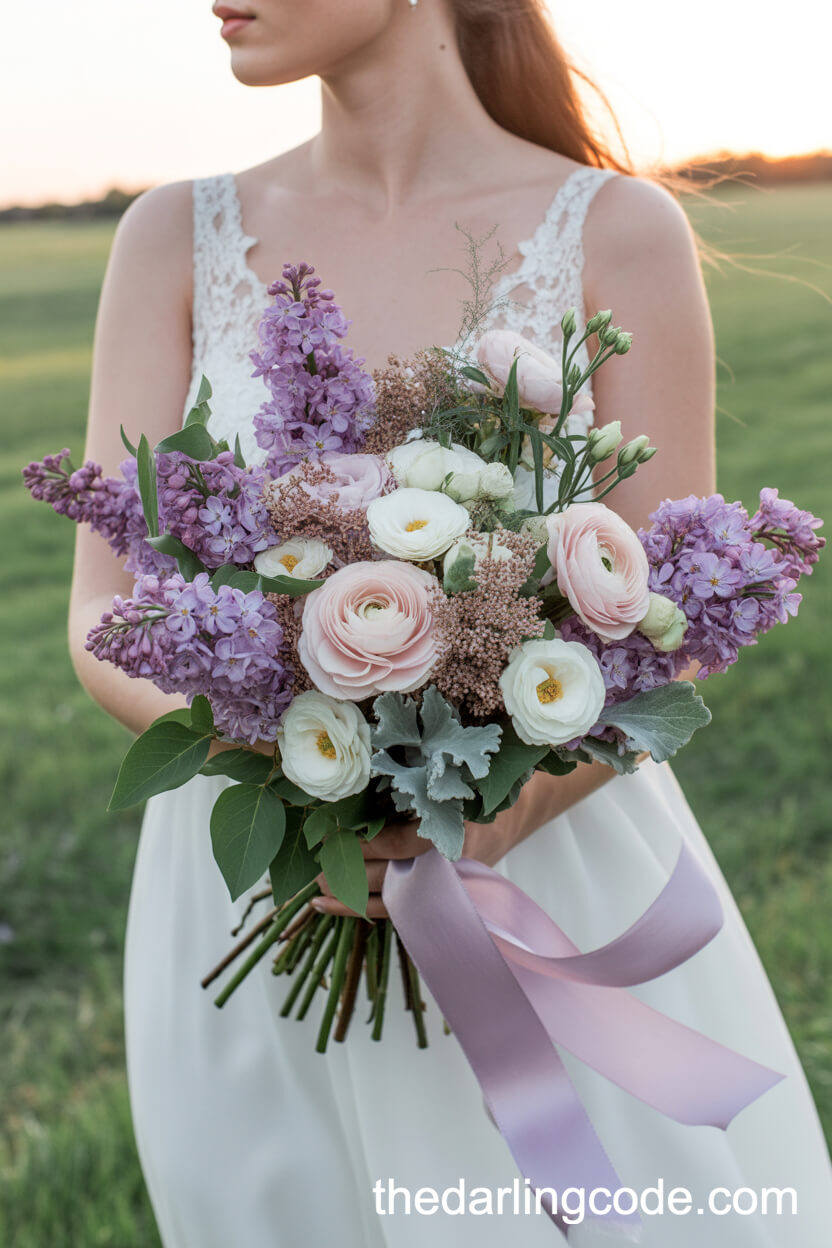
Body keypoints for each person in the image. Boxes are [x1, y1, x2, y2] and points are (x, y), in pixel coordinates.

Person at [67, 1, 832, 1244]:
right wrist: (298, 777)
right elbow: (104, 608)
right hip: (253, 881)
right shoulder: (170, 237)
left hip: (541, 862)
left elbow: (673, 618)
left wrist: (488, 819)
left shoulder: (615, 229)